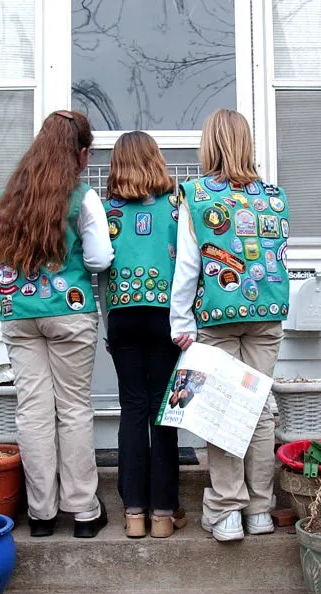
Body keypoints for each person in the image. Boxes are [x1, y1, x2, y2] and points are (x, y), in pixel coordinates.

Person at [0, 110, 113, 539]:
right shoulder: (83, 198)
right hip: (69, 311)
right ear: (79, 153)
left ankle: (41, 515)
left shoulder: (5, 199)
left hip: (19, 315)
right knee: (74, 409)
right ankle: (83, 511)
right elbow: (98, 260)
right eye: (87, 153)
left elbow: (0, 258)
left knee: (33, 411)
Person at [169, 109, 291, 542]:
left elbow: (188, 265)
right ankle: (260, 509)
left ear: (210, 145)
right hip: (267, 315)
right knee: (258, 410)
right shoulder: (273, 196)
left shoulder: (197, 195)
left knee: (223, 410)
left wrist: (180, 321)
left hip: (218, 316)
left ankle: (226, 511)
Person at [101, 131, 187, 539]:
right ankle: (165, 513)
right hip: (166, 316)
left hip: (122, 315)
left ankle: (134, 511)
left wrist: (107, 324)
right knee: (164, 410)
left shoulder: (105, 212)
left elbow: (98, 273)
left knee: (132, 409)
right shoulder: (178, 206)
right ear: (157, 160)